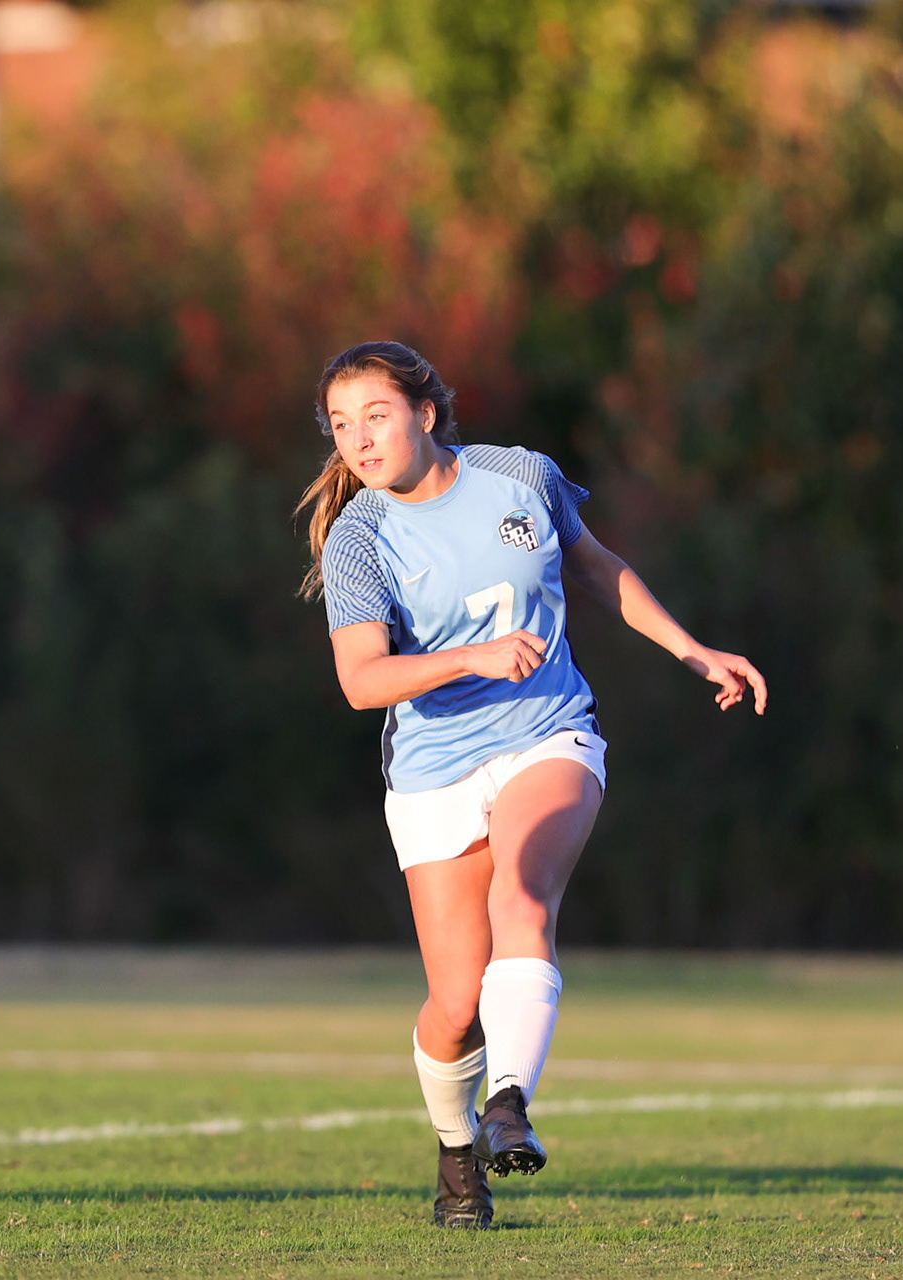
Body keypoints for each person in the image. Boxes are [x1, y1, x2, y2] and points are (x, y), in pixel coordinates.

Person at [297, 341, 767, 1229]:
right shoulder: (361, 537)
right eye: (341, 424)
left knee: (523, 897)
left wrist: (692, 650)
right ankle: (454, 1154)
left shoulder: (520, 477)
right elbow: (362, 683)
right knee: (453, 1006)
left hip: (546, 733)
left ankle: (508, 1104)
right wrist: (468, 658)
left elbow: (595, 568)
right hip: (434, 770)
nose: (357, 439)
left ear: (426, 415)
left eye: (376, 416)